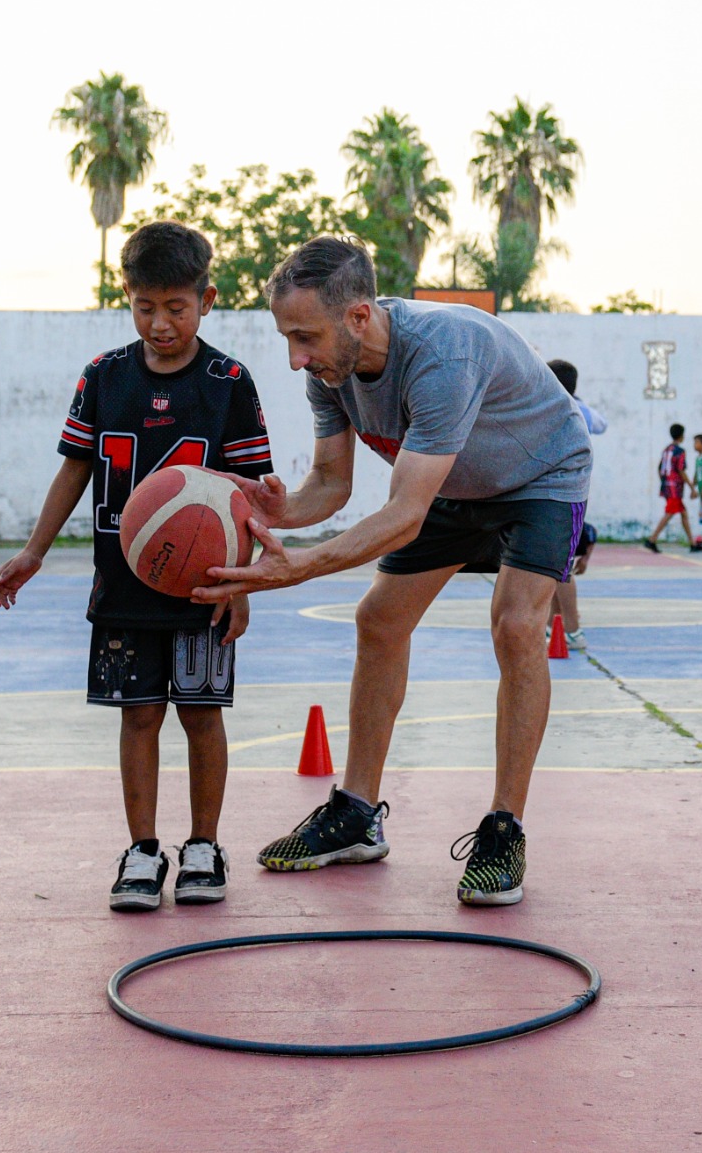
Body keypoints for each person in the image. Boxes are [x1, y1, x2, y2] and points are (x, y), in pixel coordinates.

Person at [197, 237, 593, 908]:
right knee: (378, 618)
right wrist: (281, 511)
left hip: (541, 474)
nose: (296, 356)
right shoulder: (331, 371)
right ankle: (356, 814)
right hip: (453, 484)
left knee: (518, 625)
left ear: (357, 317)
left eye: (305, 337)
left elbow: (405, 514)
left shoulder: (442, 352)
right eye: (287, 337)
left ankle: (504, 828)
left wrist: (299, 569)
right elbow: (329, 483)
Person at [0, 222, 270, 912]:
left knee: (202, 716)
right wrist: (34, 550)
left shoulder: (228, 382)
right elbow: (75, 468)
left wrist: (248, 581)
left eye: (176, 307)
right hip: (122, 586)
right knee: (137, 715)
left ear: (207, 299)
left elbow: (252, 494)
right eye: (146, 306)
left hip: (204, 587)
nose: (161, 322)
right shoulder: (104, 376)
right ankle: (142, 850)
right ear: (127, 297)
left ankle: (203, 846)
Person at [546, 359, 604, 649]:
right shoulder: (578, 409)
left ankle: (570, 629)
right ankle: (553, 624)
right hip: (568, 492)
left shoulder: (548, 405)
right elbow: (601, 424)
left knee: (560, 566)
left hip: (553, 495)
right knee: (551, 565)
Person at [644, 424, 698, 552]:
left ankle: (692, 543)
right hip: (675, 488)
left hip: (667, 486)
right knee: (669, 513)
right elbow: (680, 469)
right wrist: (691, 487)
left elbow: (659, 468)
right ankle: (652, 539)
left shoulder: (666, 450)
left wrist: (664, 482)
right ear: (682, 436)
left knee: (683, 513)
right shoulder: (680, 451)